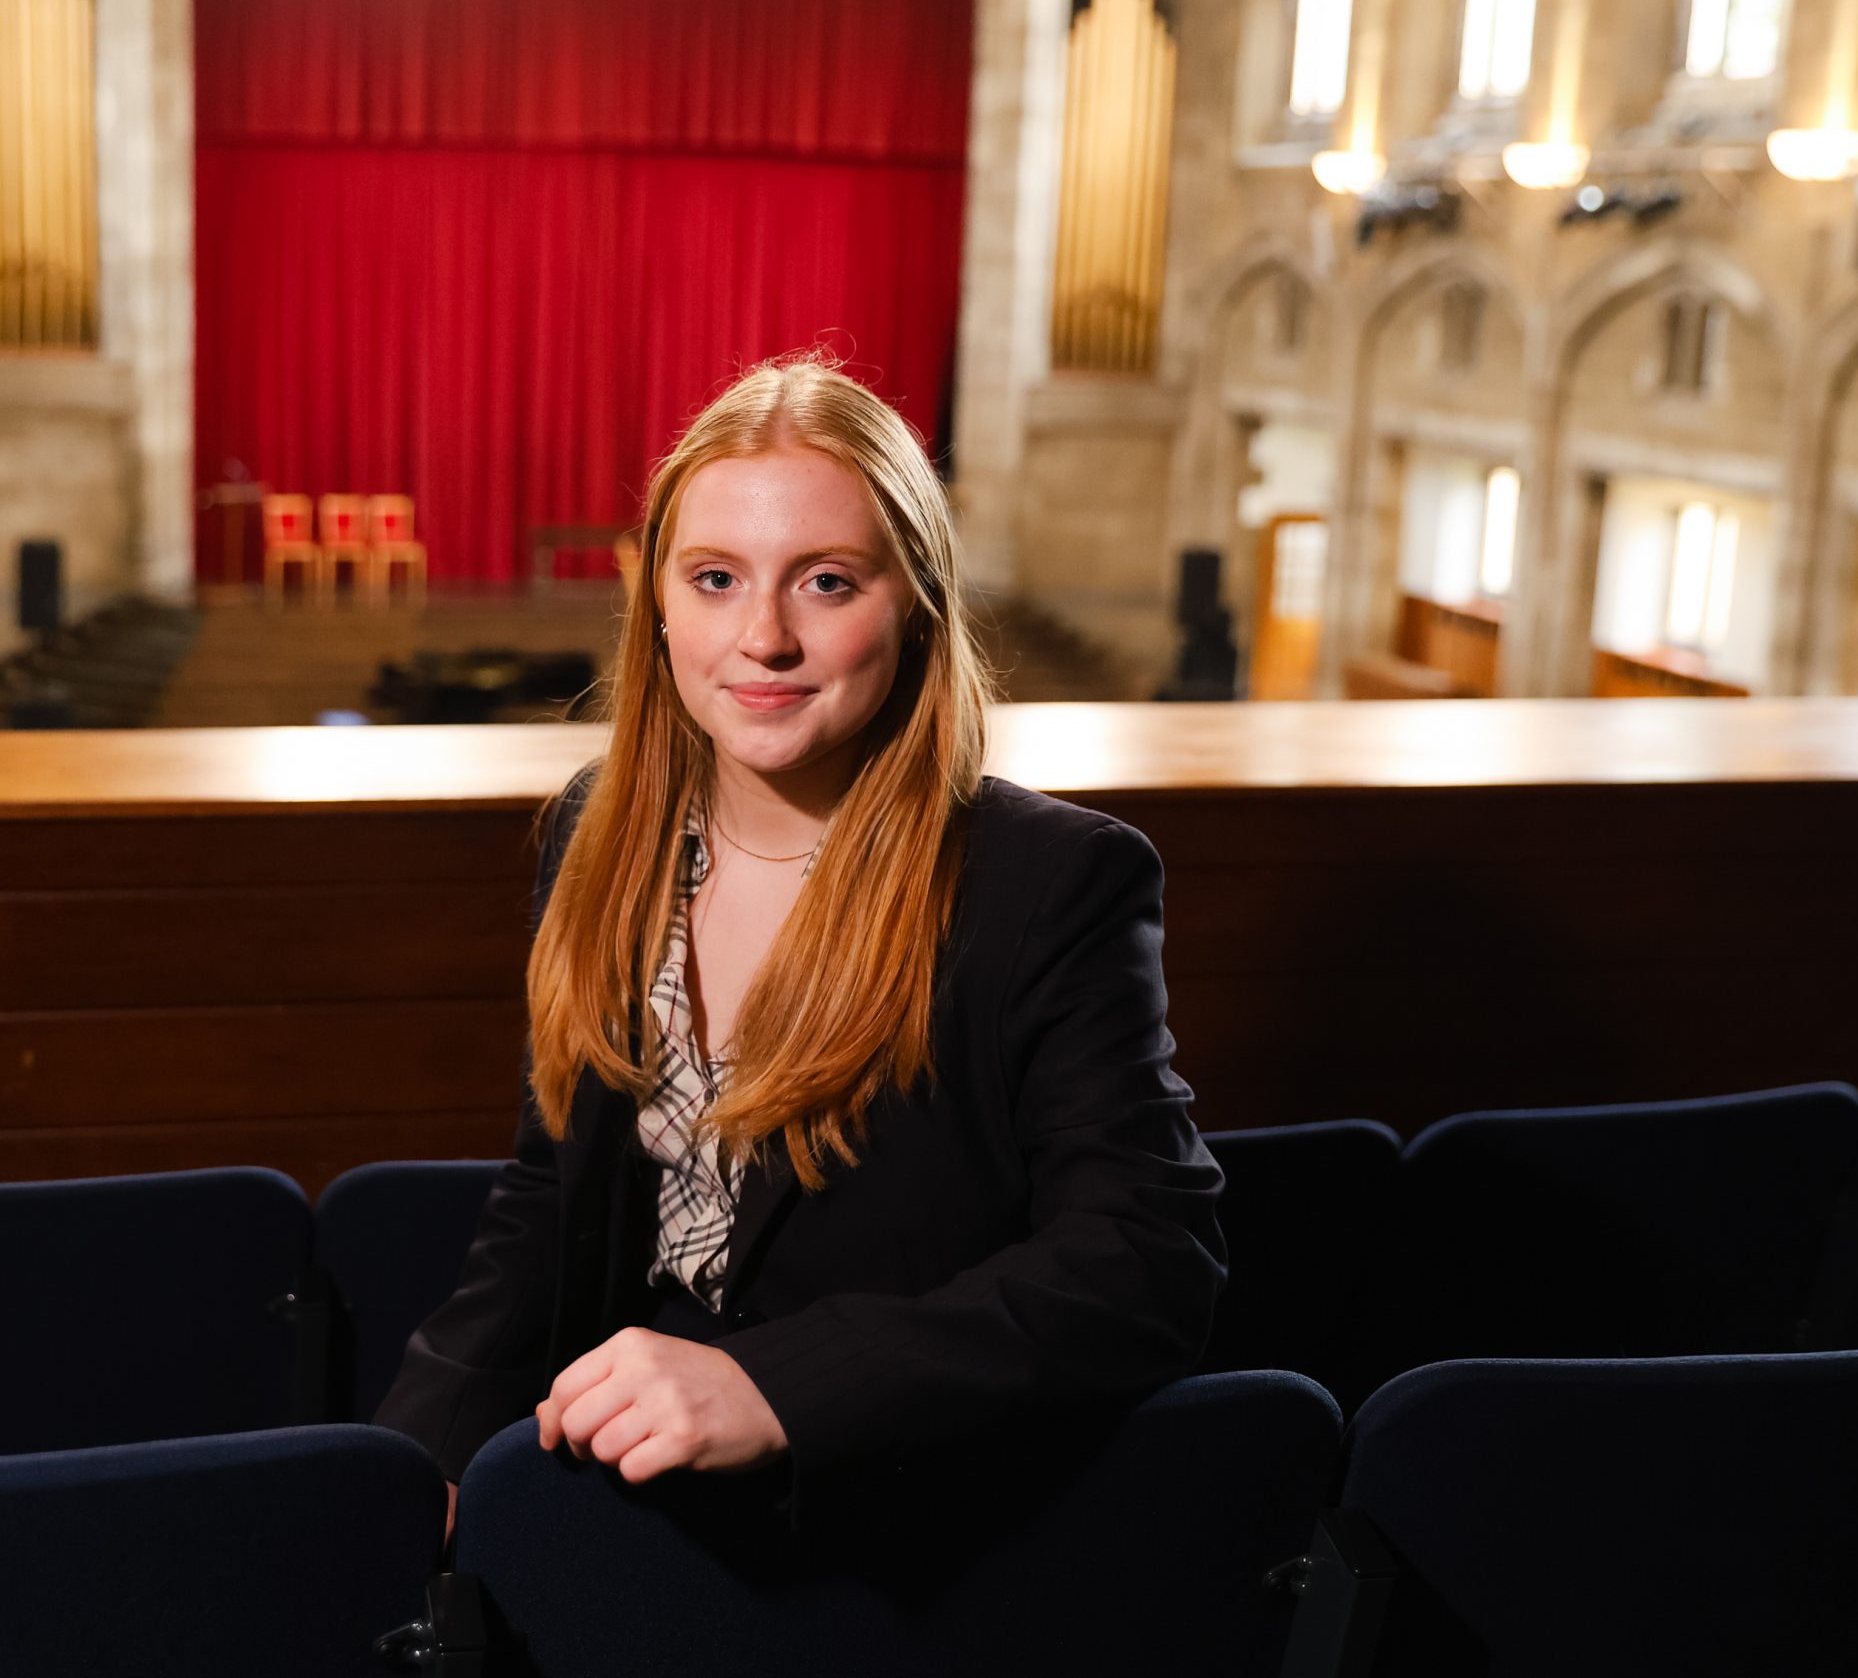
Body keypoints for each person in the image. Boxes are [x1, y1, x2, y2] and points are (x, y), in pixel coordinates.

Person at [375, 353, 1225, 1535]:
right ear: (657, 600)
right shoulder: (596, 829)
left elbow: (1145, 1259)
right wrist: (418, 1456)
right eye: (715, 577)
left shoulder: (1049, 879)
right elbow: (548, 1189)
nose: (762, 636)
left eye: (826, 582)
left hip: (886, 1504)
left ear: (915, 601)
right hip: (629, 1478)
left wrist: (781, 1385)